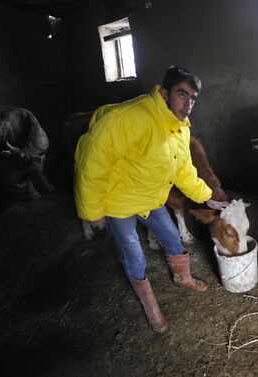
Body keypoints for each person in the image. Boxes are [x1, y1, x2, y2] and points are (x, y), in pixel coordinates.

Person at [74, 65, 228, 334]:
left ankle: (183, 277)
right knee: (134, 255)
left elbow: (183, 171)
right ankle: (151, 307)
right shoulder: (128, 118)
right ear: (165, 92)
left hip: (151, 199)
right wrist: (93, 211)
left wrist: (207, 199)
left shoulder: (180, 128)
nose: (188, 104)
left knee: (173, 239)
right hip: (118, 204)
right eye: (182, 95)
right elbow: (91, 164)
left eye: (193, 98)